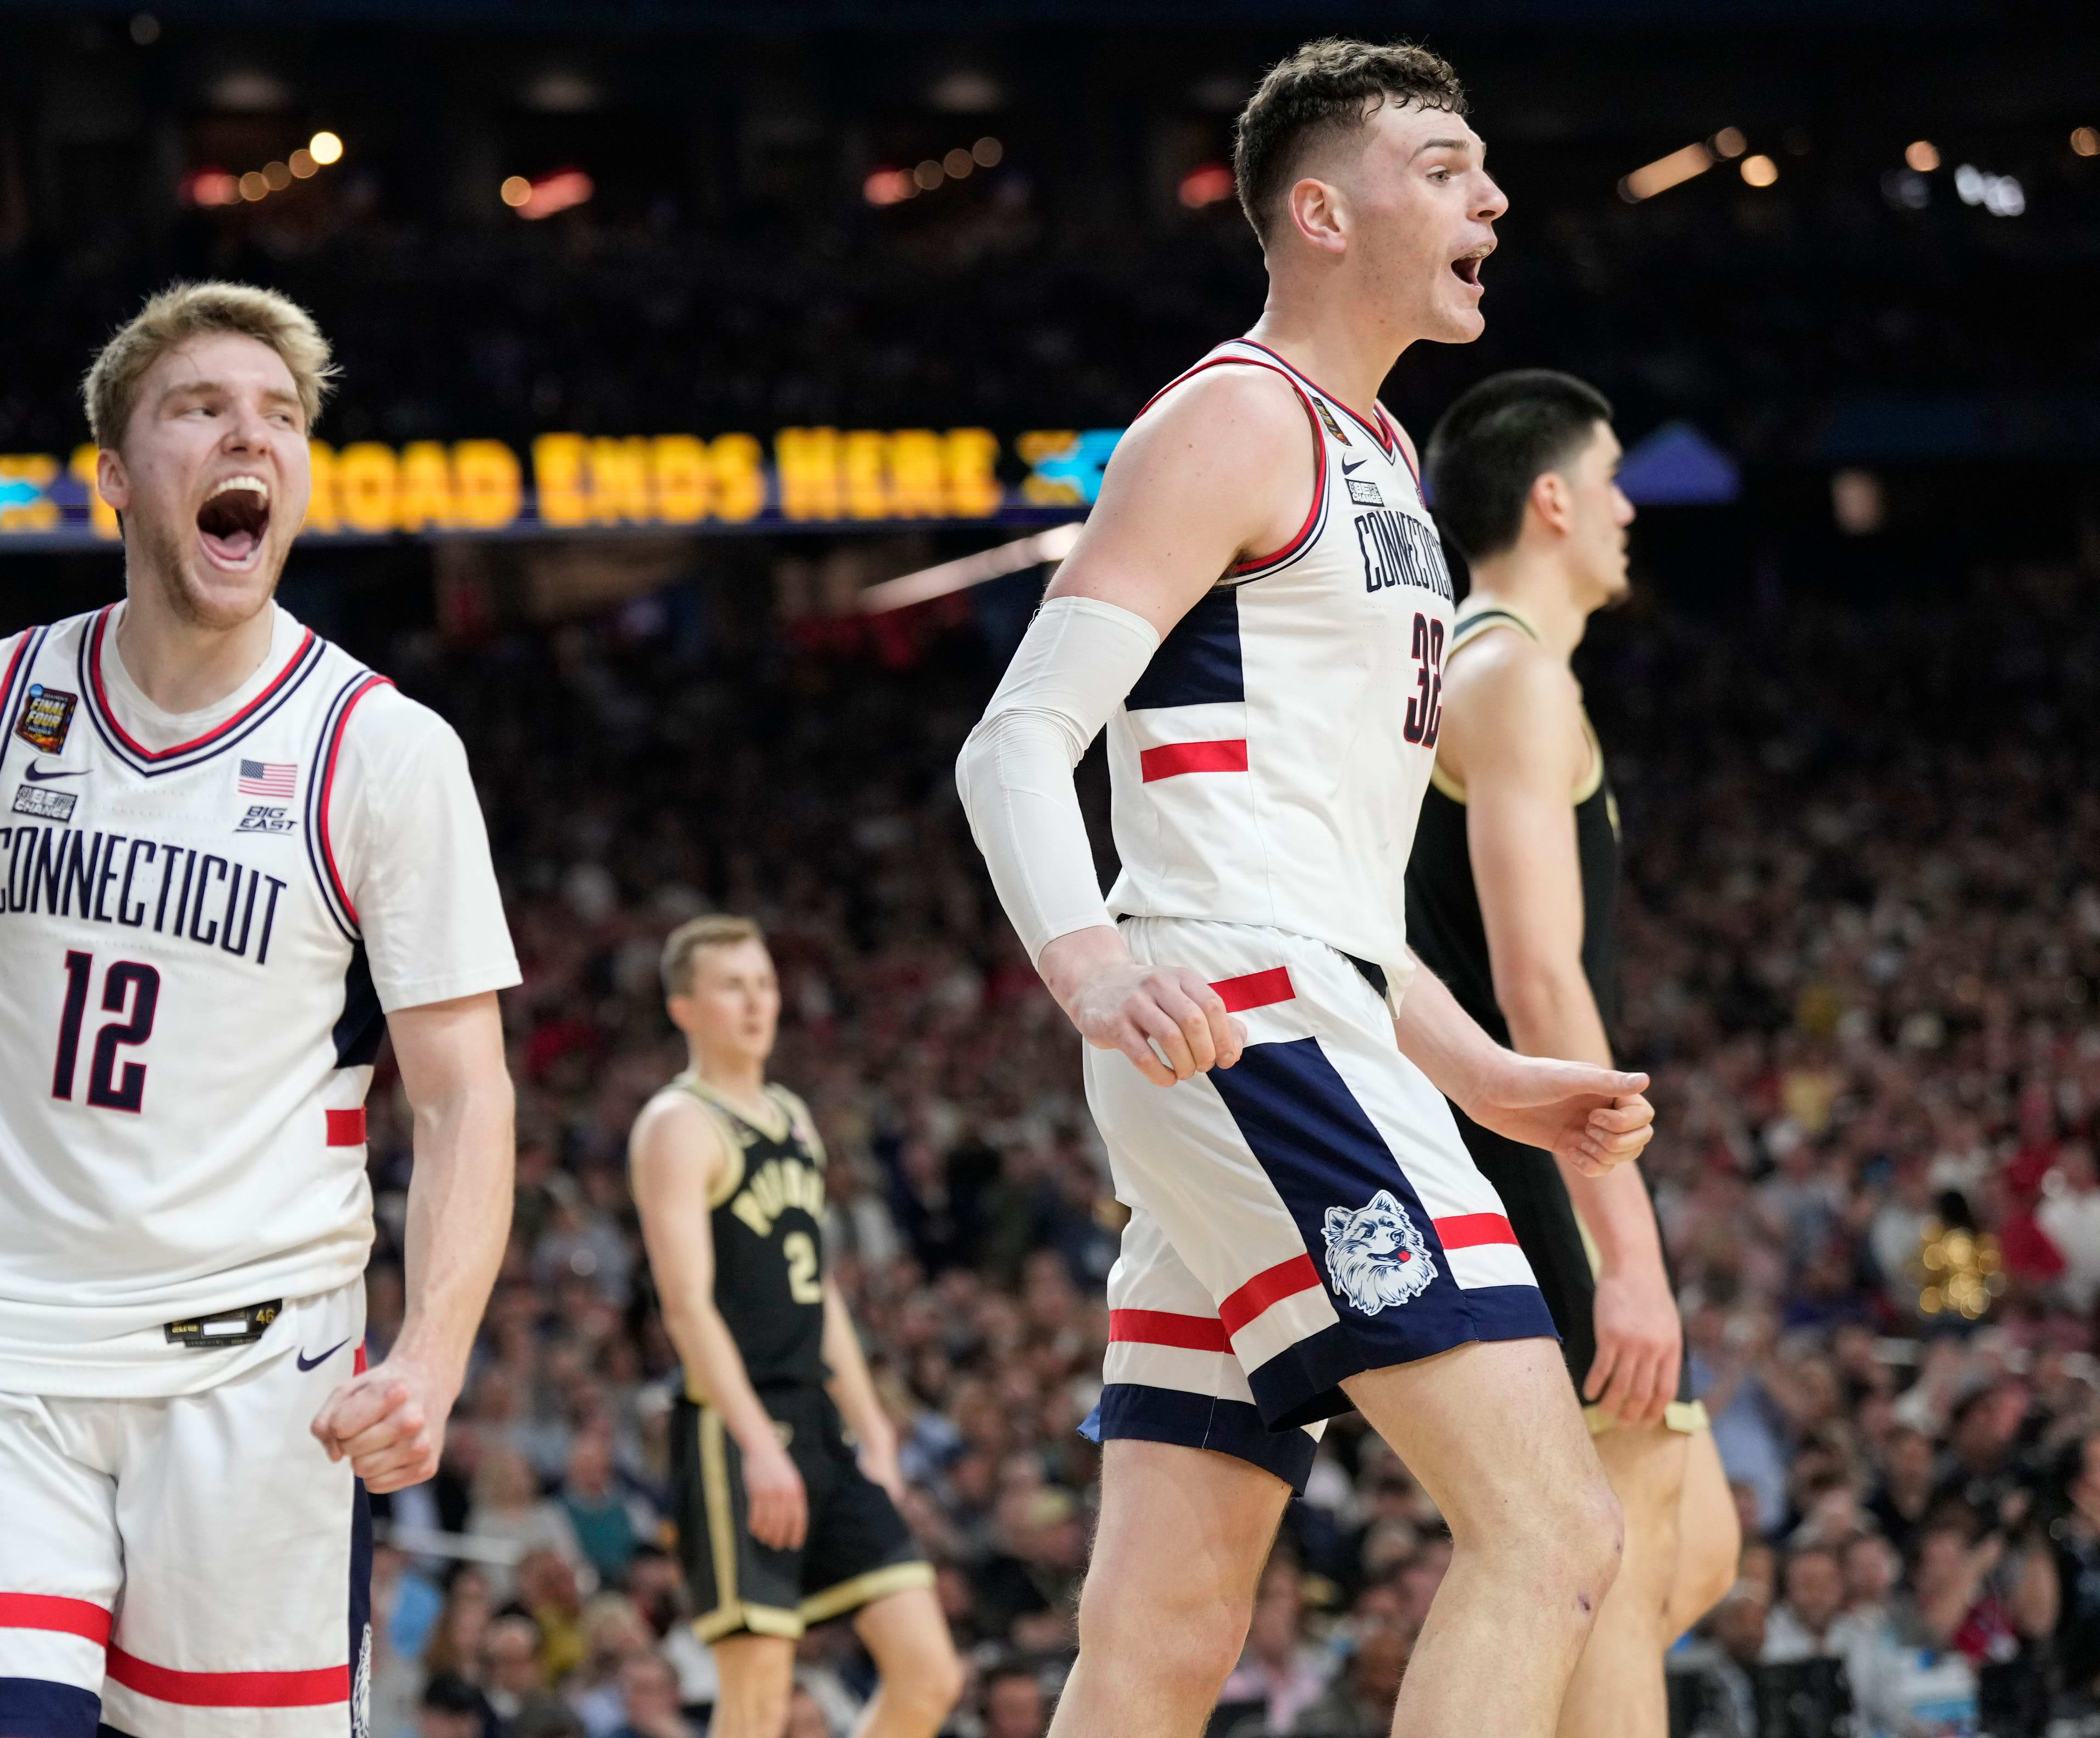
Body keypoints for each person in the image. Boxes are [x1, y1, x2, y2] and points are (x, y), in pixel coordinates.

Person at [0, 280, 523, 1738]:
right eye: (198, 410)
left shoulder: (384, 752)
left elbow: (463, 1096)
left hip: (264, 1367)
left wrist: (434, 1356)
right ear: (118, 477)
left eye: (277, 417)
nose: (243, 436)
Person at [954, 37, 1656, 1738]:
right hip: (1245, 1026)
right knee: (1554, 1533)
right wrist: (1094, 965)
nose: (1490, 194)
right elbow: (1015, 741)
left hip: (1281, 1018)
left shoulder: (1389, 465)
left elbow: (1332, 875)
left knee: (1164, 1642)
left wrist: (1489, 1077)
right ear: (1321, 212)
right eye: (1443, 165)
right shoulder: (1234, 418)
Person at [1404, 366, 1745, 1737]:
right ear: (1550, 500)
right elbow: (1541, 984)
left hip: (1490, 1147)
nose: (1627, 511)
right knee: (1595, 1543)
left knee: (1680, 1540)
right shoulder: (1513, 676)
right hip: (1520, 1155)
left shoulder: (1467, 664)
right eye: (1611, 481)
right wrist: (1634, 1253)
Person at [628, 916, 963, 1738]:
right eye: (733, 986)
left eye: (766, 983)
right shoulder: (677, 1124)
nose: (756, 1002)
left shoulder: (792, 1116)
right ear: (685, 1007)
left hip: (819, 1425)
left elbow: (822, 1298)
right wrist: (759, 1444)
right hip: (735, 1432)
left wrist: (876, 1433)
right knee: (756, 1700)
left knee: (929, 1675)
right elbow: (686, 1307)